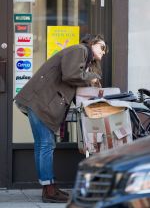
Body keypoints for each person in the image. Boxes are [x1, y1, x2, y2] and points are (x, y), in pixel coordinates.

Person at [14, 34, 108, 203]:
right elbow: (70, 75)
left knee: (43, 144)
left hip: (40, 102)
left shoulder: (84, 57)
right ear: (92, 43)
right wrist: (92, 77)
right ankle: (49, 190)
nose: (104, 52)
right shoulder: (81, 49)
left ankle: (48, 186)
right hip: (41, 102)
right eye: (102, 47)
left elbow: (73, 81)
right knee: (46, 144)